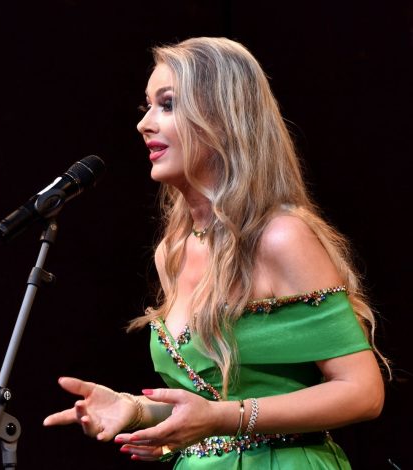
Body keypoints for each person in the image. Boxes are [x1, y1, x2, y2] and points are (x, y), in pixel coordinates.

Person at [43, 37, 387, 468]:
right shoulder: (172, 252)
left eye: (167, 105)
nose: (144, 124)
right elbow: (213, 405)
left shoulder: (279, 237)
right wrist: (138, 410)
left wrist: (225, 418)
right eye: (147, 107)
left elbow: (363, 392)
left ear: (222, 119)